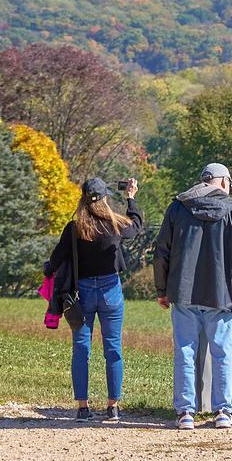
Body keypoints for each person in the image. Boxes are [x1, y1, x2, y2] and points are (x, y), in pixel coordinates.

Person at [152, 161, 232, 430]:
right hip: (221, 295)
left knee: (185, 352)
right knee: (223, 354)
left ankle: (185, 413)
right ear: (222, 182)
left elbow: (162, 251)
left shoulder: (177, 208)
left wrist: (162, 290)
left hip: (184, 292)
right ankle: (223, 411)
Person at [44, 176, 143, 421]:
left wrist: (48, 269)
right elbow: (137, 226)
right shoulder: (115, 225)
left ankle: (83, 407)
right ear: (106, 199)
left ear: (83, 200)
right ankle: (113, 406)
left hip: (83, 293)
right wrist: (131, 198)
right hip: (111, 291)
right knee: (113, 349)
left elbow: (54, 261)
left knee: (81, 349)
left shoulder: (74, 228)